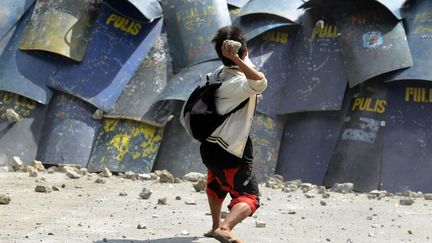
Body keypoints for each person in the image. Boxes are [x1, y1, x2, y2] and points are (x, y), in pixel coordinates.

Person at [200, 26, 267, 243]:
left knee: (216, 183)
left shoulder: (215, 76)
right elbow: (261, 82)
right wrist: (238, 58)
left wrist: (235, 59)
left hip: (210, 145)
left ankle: (214, 226)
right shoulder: (238, 83)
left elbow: (251, 74)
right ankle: (225, 227)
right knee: (250, 197)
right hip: (232, 148)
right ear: (245, 53)